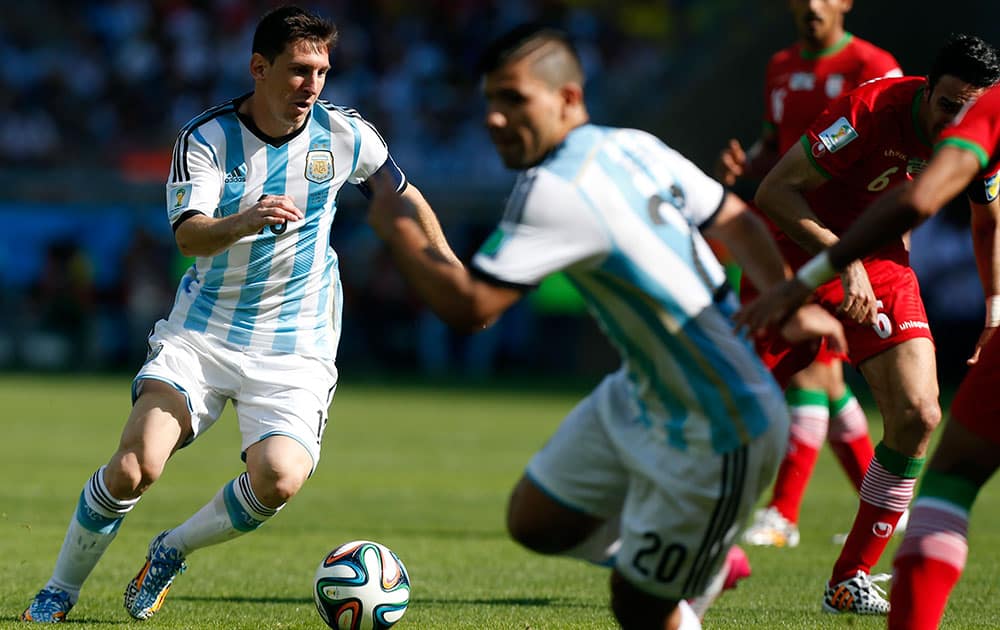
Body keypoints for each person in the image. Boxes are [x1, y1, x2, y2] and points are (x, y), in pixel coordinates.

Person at [367, 24, 846, 630]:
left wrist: (400, 231)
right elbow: (734, 218)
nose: (493, 118)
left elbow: (472, 309)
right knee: (534, 521)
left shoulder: (554, 189)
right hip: (643, 390)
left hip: (722, 423)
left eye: (514, 100)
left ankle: (693, 567)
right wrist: (784, 294)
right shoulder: (631, 144)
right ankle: (701, 563)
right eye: (489, 100)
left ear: (568, 98)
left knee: (639, 609)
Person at [20, 6, 454, 623]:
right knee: (133, 466)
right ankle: (61, 588)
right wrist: (244, 219)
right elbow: (189, 238)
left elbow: (403, 200)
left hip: (295, 345)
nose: (313, 85)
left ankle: (171, 549)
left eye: (322, 71)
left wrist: (454, 272)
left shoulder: (347, 134)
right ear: (259, 67)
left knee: (278, 479)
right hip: (203, 334)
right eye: (300, 70)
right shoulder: (205, 138)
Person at [744, 33, 1000, 615]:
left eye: (970, 108)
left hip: (880, 265)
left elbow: (988, 223)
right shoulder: (872, 108)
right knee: (739, 417)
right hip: (794, 257)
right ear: (926, 88)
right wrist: (844, 258)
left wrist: (995, 311)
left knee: (919, 414)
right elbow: (775, 191)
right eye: (947, 105)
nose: (956, 120)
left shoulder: (983, 130)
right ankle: (681, 543)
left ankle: (849, 577)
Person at [715, 0, 904, 549]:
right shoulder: (779, 65)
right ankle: (890, 512)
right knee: (825, 378)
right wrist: (745, 165)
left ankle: (783, 514)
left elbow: (898, 158)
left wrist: (877, 248)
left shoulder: (874, 65)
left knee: (807, 371)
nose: (812, 5)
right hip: (786, 235)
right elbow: (777, 148)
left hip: (844, 240)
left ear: (845, 2)